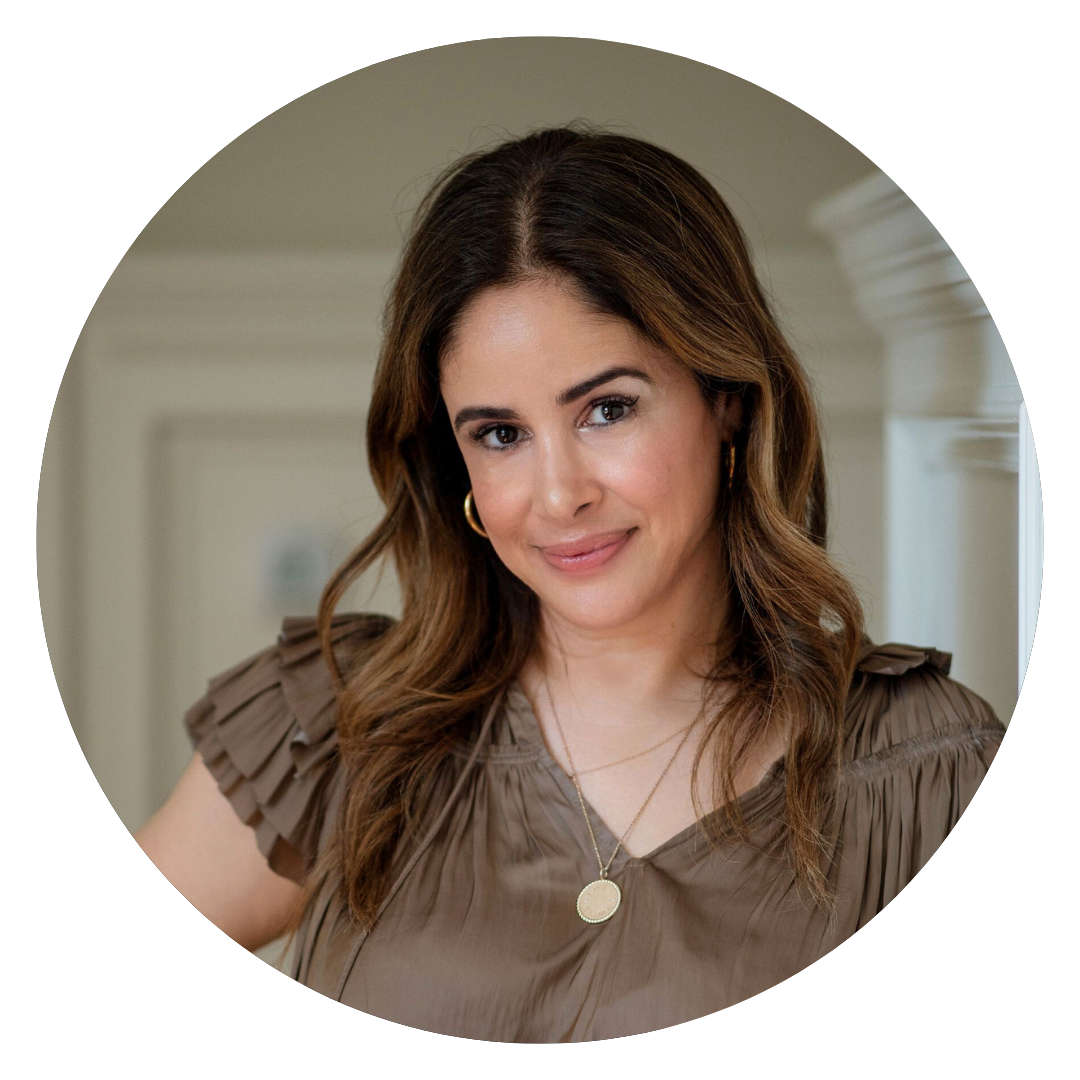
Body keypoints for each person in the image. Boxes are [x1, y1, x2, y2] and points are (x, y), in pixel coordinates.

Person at [135, 124, 1006, 1042]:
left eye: (608, 410)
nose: (558, 496)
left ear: (728, 400)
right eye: (500, 435)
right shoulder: (336, 720)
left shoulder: (931, 775)